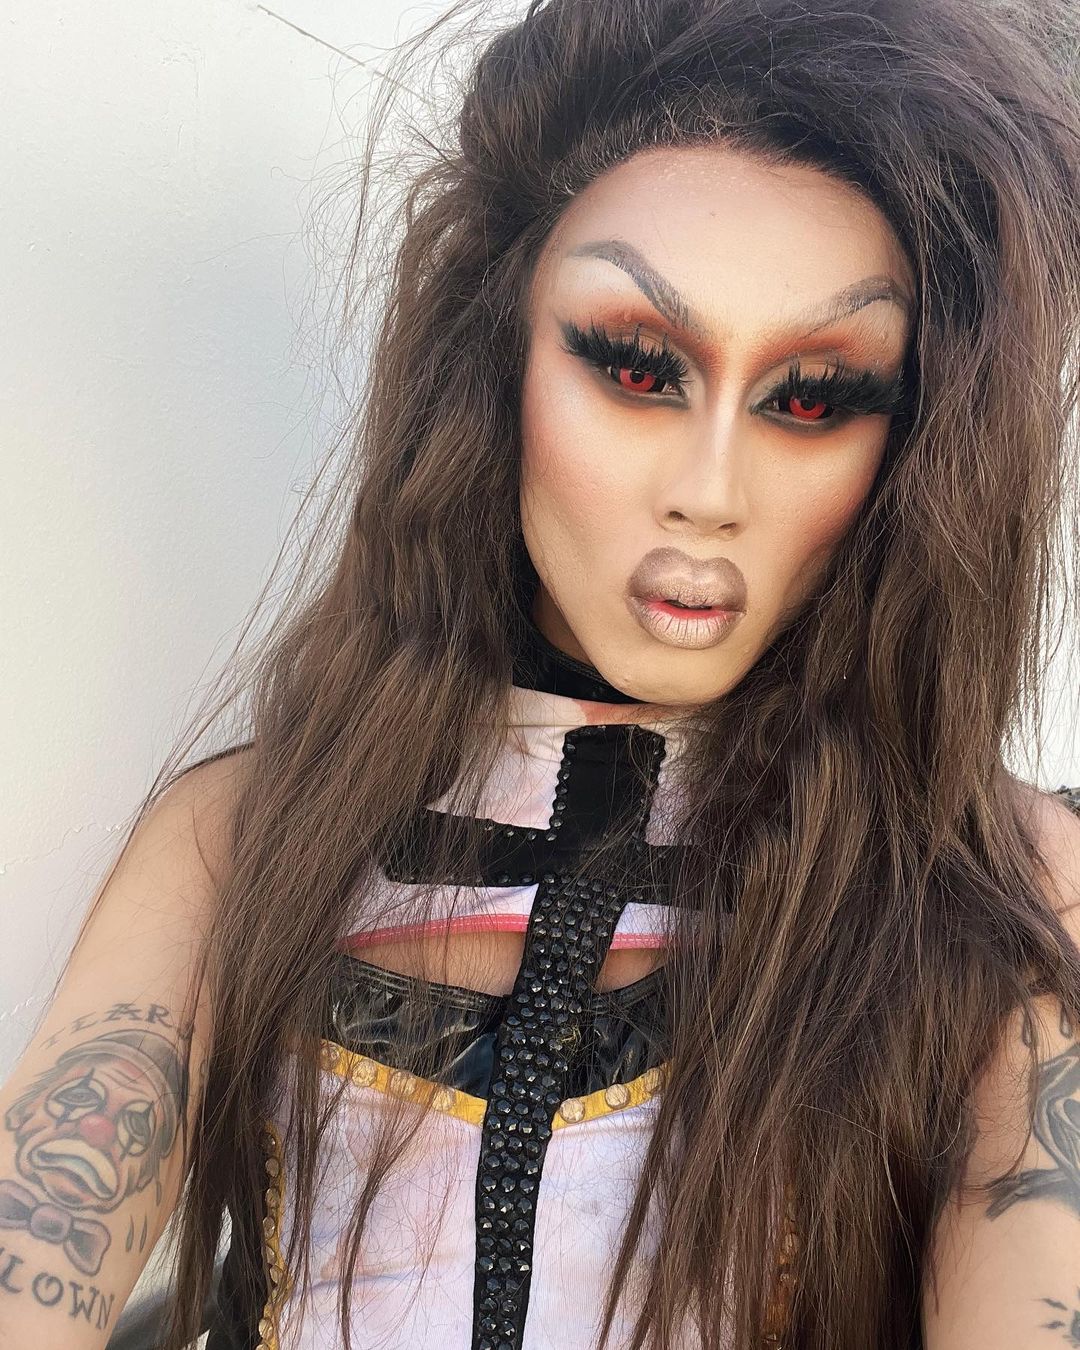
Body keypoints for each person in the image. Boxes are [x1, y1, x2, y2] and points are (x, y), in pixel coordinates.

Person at [3, 0, 1080, 1345]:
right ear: (496, 358)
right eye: (636, 366)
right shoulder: (244, 836)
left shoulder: (1002, 884)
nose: (709, 492)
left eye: (812, 397)